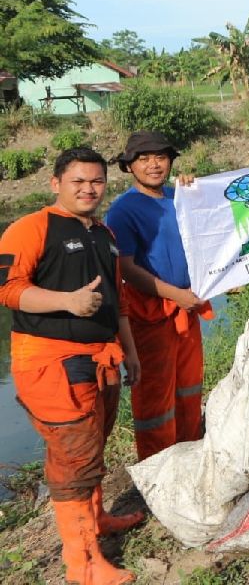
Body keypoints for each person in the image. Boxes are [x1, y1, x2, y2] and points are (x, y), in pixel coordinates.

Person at [0, 148, 144, 584]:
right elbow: (7, 290)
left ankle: (97, 520)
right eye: (78, 181)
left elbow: (117, 301)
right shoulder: (30, 228)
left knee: (91, 447)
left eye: (96, 181)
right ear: (56, 183)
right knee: (73, 461)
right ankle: (82, 565)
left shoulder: (104, 233)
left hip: (101, 358)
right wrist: (67, 301)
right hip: (51, 362)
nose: (88, 189)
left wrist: (131, 352)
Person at [105, 131, 211, 461]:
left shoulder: (178, 196)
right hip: (152, 314)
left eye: (161, 157)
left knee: (189, 385)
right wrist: (174, 294)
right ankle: (159, 468)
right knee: (156, 396)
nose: (154, 164)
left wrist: (194, 191)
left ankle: (190, 451)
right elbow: (128, 269)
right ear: (129, 167)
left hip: (187, 308)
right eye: (144, 158)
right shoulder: (123, 210)